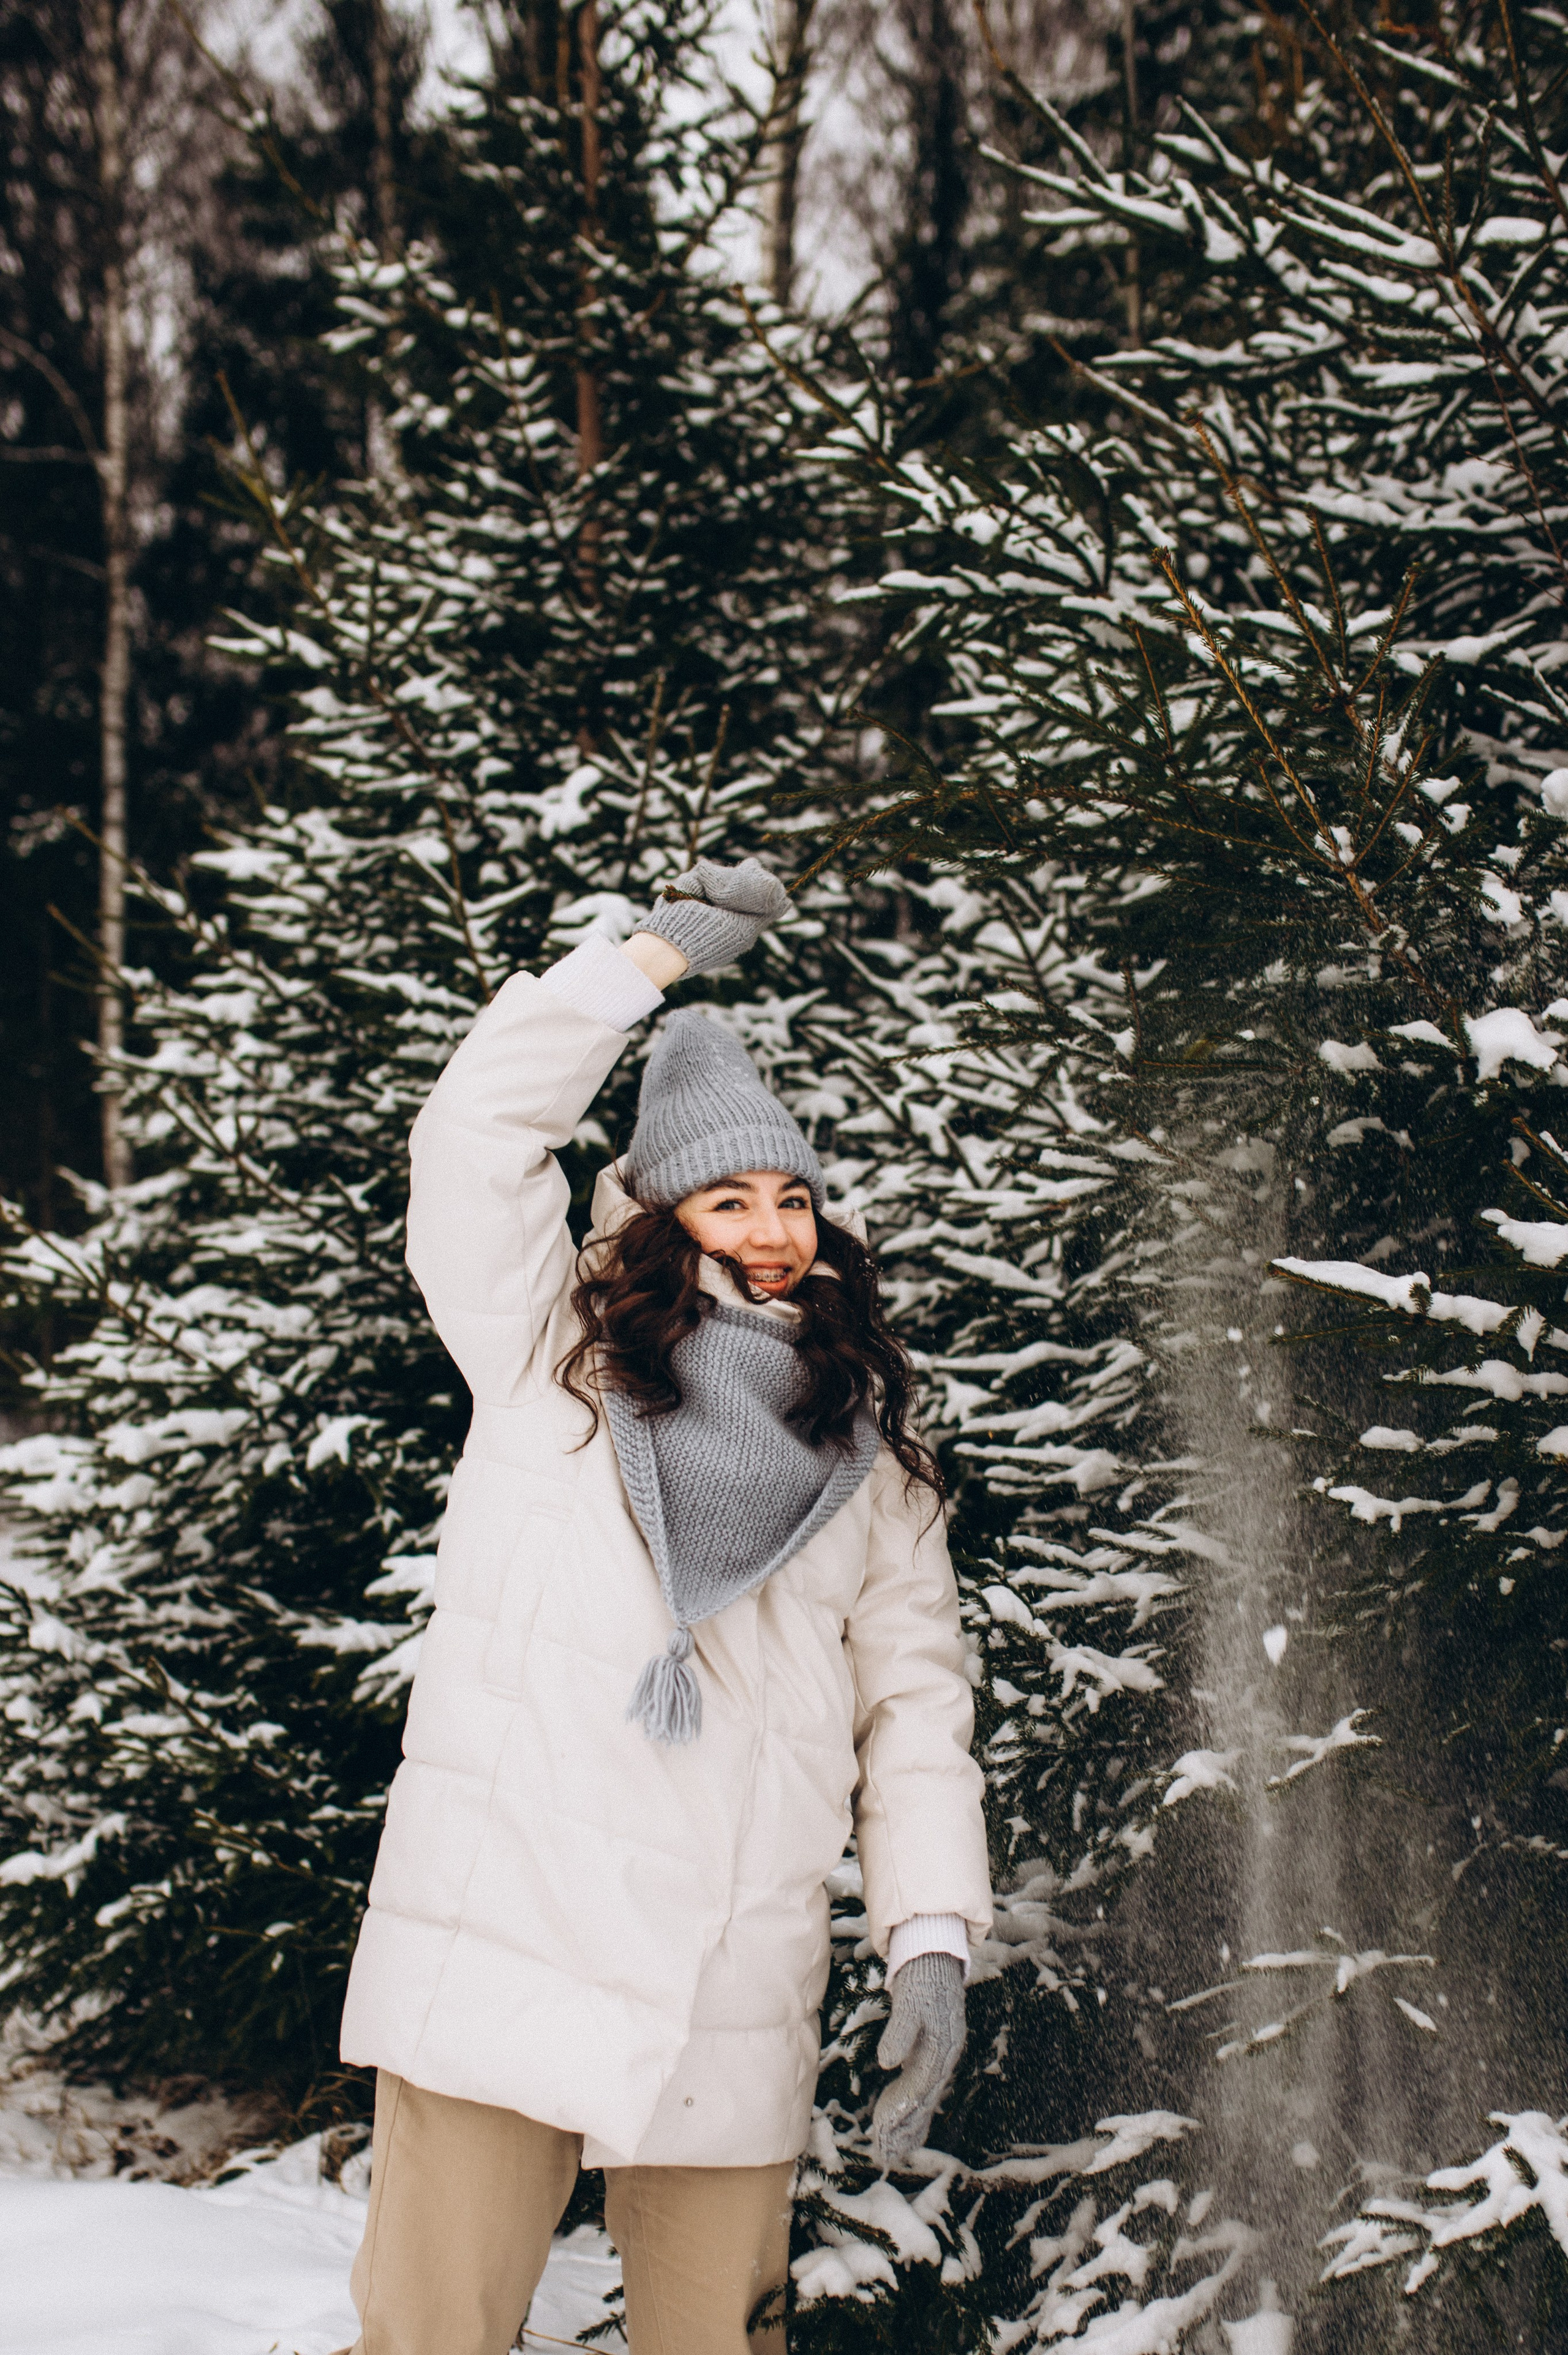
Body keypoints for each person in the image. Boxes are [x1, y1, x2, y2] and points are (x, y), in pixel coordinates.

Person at [334, 858, 992, 2355]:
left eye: (792, 1199)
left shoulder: (871, 1446)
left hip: (732, 1965)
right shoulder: (547, 1350)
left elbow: (914, 1706)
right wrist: (634, 963)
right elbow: (473, 1133)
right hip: (510, 1932)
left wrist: (930, 1932)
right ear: (656, 1211)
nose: (771, 1231)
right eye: (727, 1197)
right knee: (431, 2335)